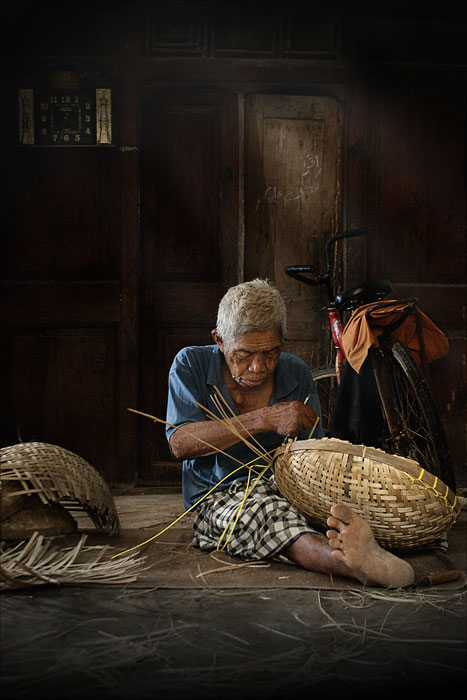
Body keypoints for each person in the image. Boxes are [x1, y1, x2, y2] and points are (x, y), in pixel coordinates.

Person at [166, 279, 415, 588]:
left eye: (271, 353)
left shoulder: (294, 371)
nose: (258, 367)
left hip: (287, 487)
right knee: (268, 514)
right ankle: (358, 567)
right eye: (243, 355)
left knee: (344, 507)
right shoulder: (190, 364)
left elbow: (314, 456)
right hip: (218, 497)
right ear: (219, 340)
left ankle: (371, 546)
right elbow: (180, 443)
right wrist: (264, 418)